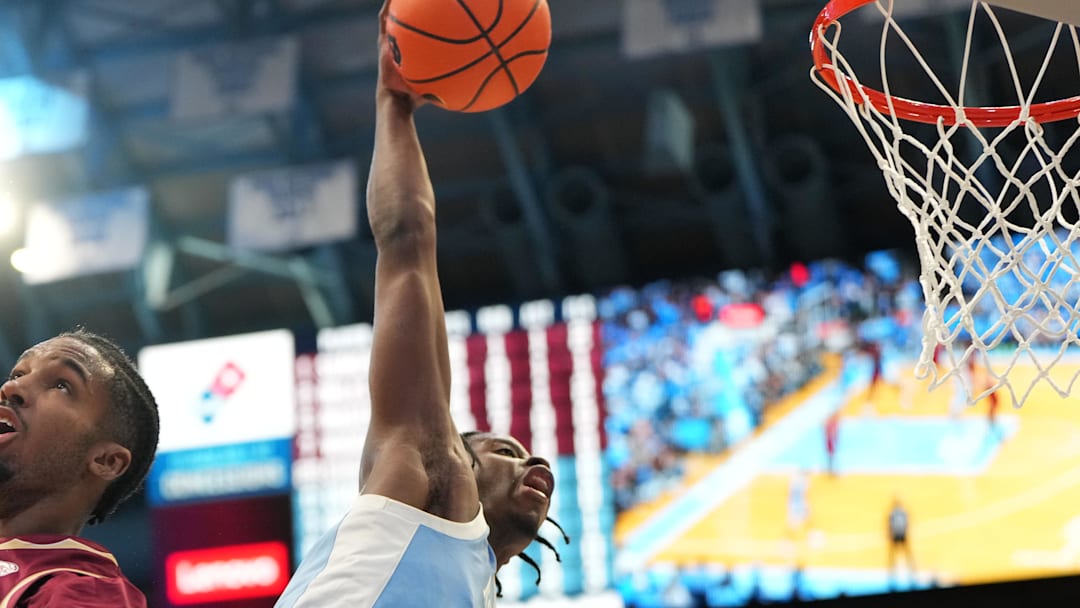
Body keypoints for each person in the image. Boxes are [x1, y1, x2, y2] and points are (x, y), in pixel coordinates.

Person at [274, 5, 565, 606]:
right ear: (455, 450)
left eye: (513, 449)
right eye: (502, 450)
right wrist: (393, 103)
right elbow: (407, 244)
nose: (529, 456)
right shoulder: (429, 469)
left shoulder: (474, 585)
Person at [0, 329, 160, 607]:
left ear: (106, 461)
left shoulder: (84, 592)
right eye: (18, 374)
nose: (11, 388)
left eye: (61, 385)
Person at [887, 496, 916, 583]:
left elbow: (889, 525)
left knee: (895, 555)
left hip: (896, 535)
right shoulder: (903, 512)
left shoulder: (892, 513)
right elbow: (907, 523)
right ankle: (911, 571)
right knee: (905, 554)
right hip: (902, 534)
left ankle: (893, 573)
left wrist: (890, 534)